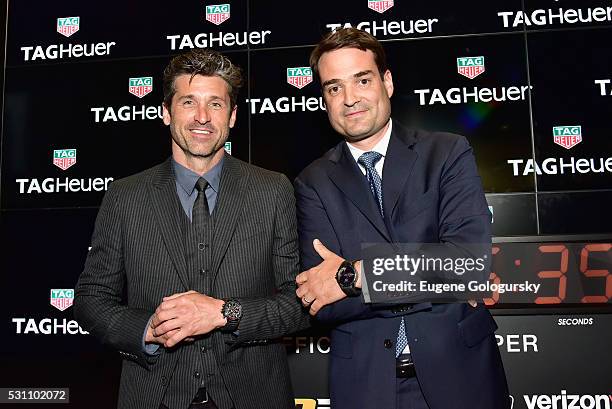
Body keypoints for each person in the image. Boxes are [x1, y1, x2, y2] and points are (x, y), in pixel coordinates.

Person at [74, 49, 308, 409]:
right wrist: (147, 329)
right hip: (155, 397)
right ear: (166, 112)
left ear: (232, 116)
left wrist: (224, 313)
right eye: (189, 102)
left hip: (253, 395)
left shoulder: (272, 189)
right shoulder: (124, 196)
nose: (202, 117)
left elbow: (298, 304)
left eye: (215, 104)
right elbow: (91, 300)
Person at [294, 28, 510, 409]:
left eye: (362, 80)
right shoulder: (312, 182)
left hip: (461, 375)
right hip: (366, 386)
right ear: (324, 99)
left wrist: (355, 275)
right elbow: (323, 300)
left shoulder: (446, 153)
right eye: (333, 88)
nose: (349, 99)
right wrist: (437, 274)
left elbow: (468, 263)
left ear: (387, 82)